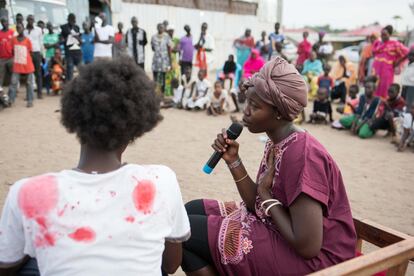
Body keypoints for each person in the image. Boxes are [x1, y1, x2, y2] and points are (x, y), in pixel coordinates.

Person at [0, 57, 190, 276]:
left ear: (74, 118)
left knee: (30, 260)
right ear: (135, 128)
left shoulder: (26, 193)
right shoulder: (161, 180)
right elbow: (170, 265)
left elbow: (6, 267)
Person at [181, 57, 356, 275]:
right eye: (247, 102)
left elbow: (308, 246)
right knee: (188, 211)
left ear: (280, 112)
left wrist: (265, 194)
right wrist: (234, 161)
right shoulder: (278, 140)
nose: (245, 111)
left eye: (255, 106)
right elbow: (257, 205)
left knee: (184, 233)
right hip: (278, 226)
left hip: (319, 261)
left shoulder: (302, 155)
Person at [372, 25, 409, 99]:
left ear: (390, 34)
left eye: (385, 35)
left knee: (385, 87)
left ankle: (383, 106)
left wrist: (397, 63)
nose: (382, 36)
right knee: (374, 87)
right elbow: (373, 53)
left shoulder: (395, 44)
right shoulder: (377, 43)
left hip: (387, 71)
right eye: (381, 34)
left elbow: (407, 52)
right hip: (376, 70)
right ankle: (374, 105)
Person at [8, 23, 35, 107]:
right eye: (17, 28)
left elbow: (31, 52)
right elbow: (12, 51)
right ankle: (11, 100)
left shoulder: (27, 40)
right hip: (17, 65)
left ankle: (30, 101)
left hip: (28, 65)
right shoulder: (13, 40)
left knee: (29, 83)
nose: (19, 29)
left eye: (20, 27)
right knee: (13, 83)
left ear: (23, 28)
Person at [25, 15, 43, 99]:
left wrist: (42, 54)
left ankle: (39, 93)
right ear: (27, 20)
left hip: (36, 53)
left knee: (38, 74)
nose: (30, 21)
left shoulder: (38, 30)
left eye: (32, 19)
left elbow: (41, 42)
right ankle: (29, 94)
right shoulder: (24, 31)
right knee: (28, 74)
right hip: (27, 54)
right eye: (29, 20)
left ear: (34, 20)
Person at [60, 13, 82, 81]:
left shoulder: (77, 27)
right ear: (68, 19)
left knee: (80, 69)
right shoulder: (63, 27)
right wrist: (66, 39)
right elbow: (61, 39)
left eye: (74, 20)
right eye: (71, 20)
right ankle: (69, 85)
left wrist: (77, 37)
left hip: (77, 51)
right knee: (70, 69)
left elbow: (80, 40)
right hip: (69, 52)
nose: (73, 22)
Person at [151, 23, 171, 95]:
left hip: (164, 61)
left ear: (164, 28)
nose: (161, 28)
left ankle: (162, 93)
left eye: (162, 27)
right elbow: (152, 48)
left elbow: (169, 49)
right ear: (157, 28)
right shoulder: (153, 37)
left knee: (163, 78)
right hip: (156, 60)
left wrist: (170, 62)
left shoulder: (167, 36)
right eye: (159, 27)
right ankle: (155, 93)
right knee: (155, 77)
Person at [165, 25, 180, 97]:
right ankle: (168, 92)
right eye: (169, 31)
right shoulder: (165, 39)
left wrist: (171, 49)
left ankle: (175, 91)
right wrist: (172, 49)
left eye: (172, 31)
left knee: (175, 76)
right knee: (168, 76)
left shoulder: (176, 39)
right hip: (166, 60)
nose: (171, 32)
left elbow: (177, 50)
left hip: (174, 61)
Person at [0, 17, 14, 95]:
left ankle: (11, 93)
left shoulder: (12, 32)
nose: (4, 23)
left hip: (11, 58)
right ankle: (1, 94)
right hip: (1, 58)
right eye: (2, 22)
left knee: (13, 76)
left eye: (5, 22)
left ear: (8, 22)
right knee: (1, 77)